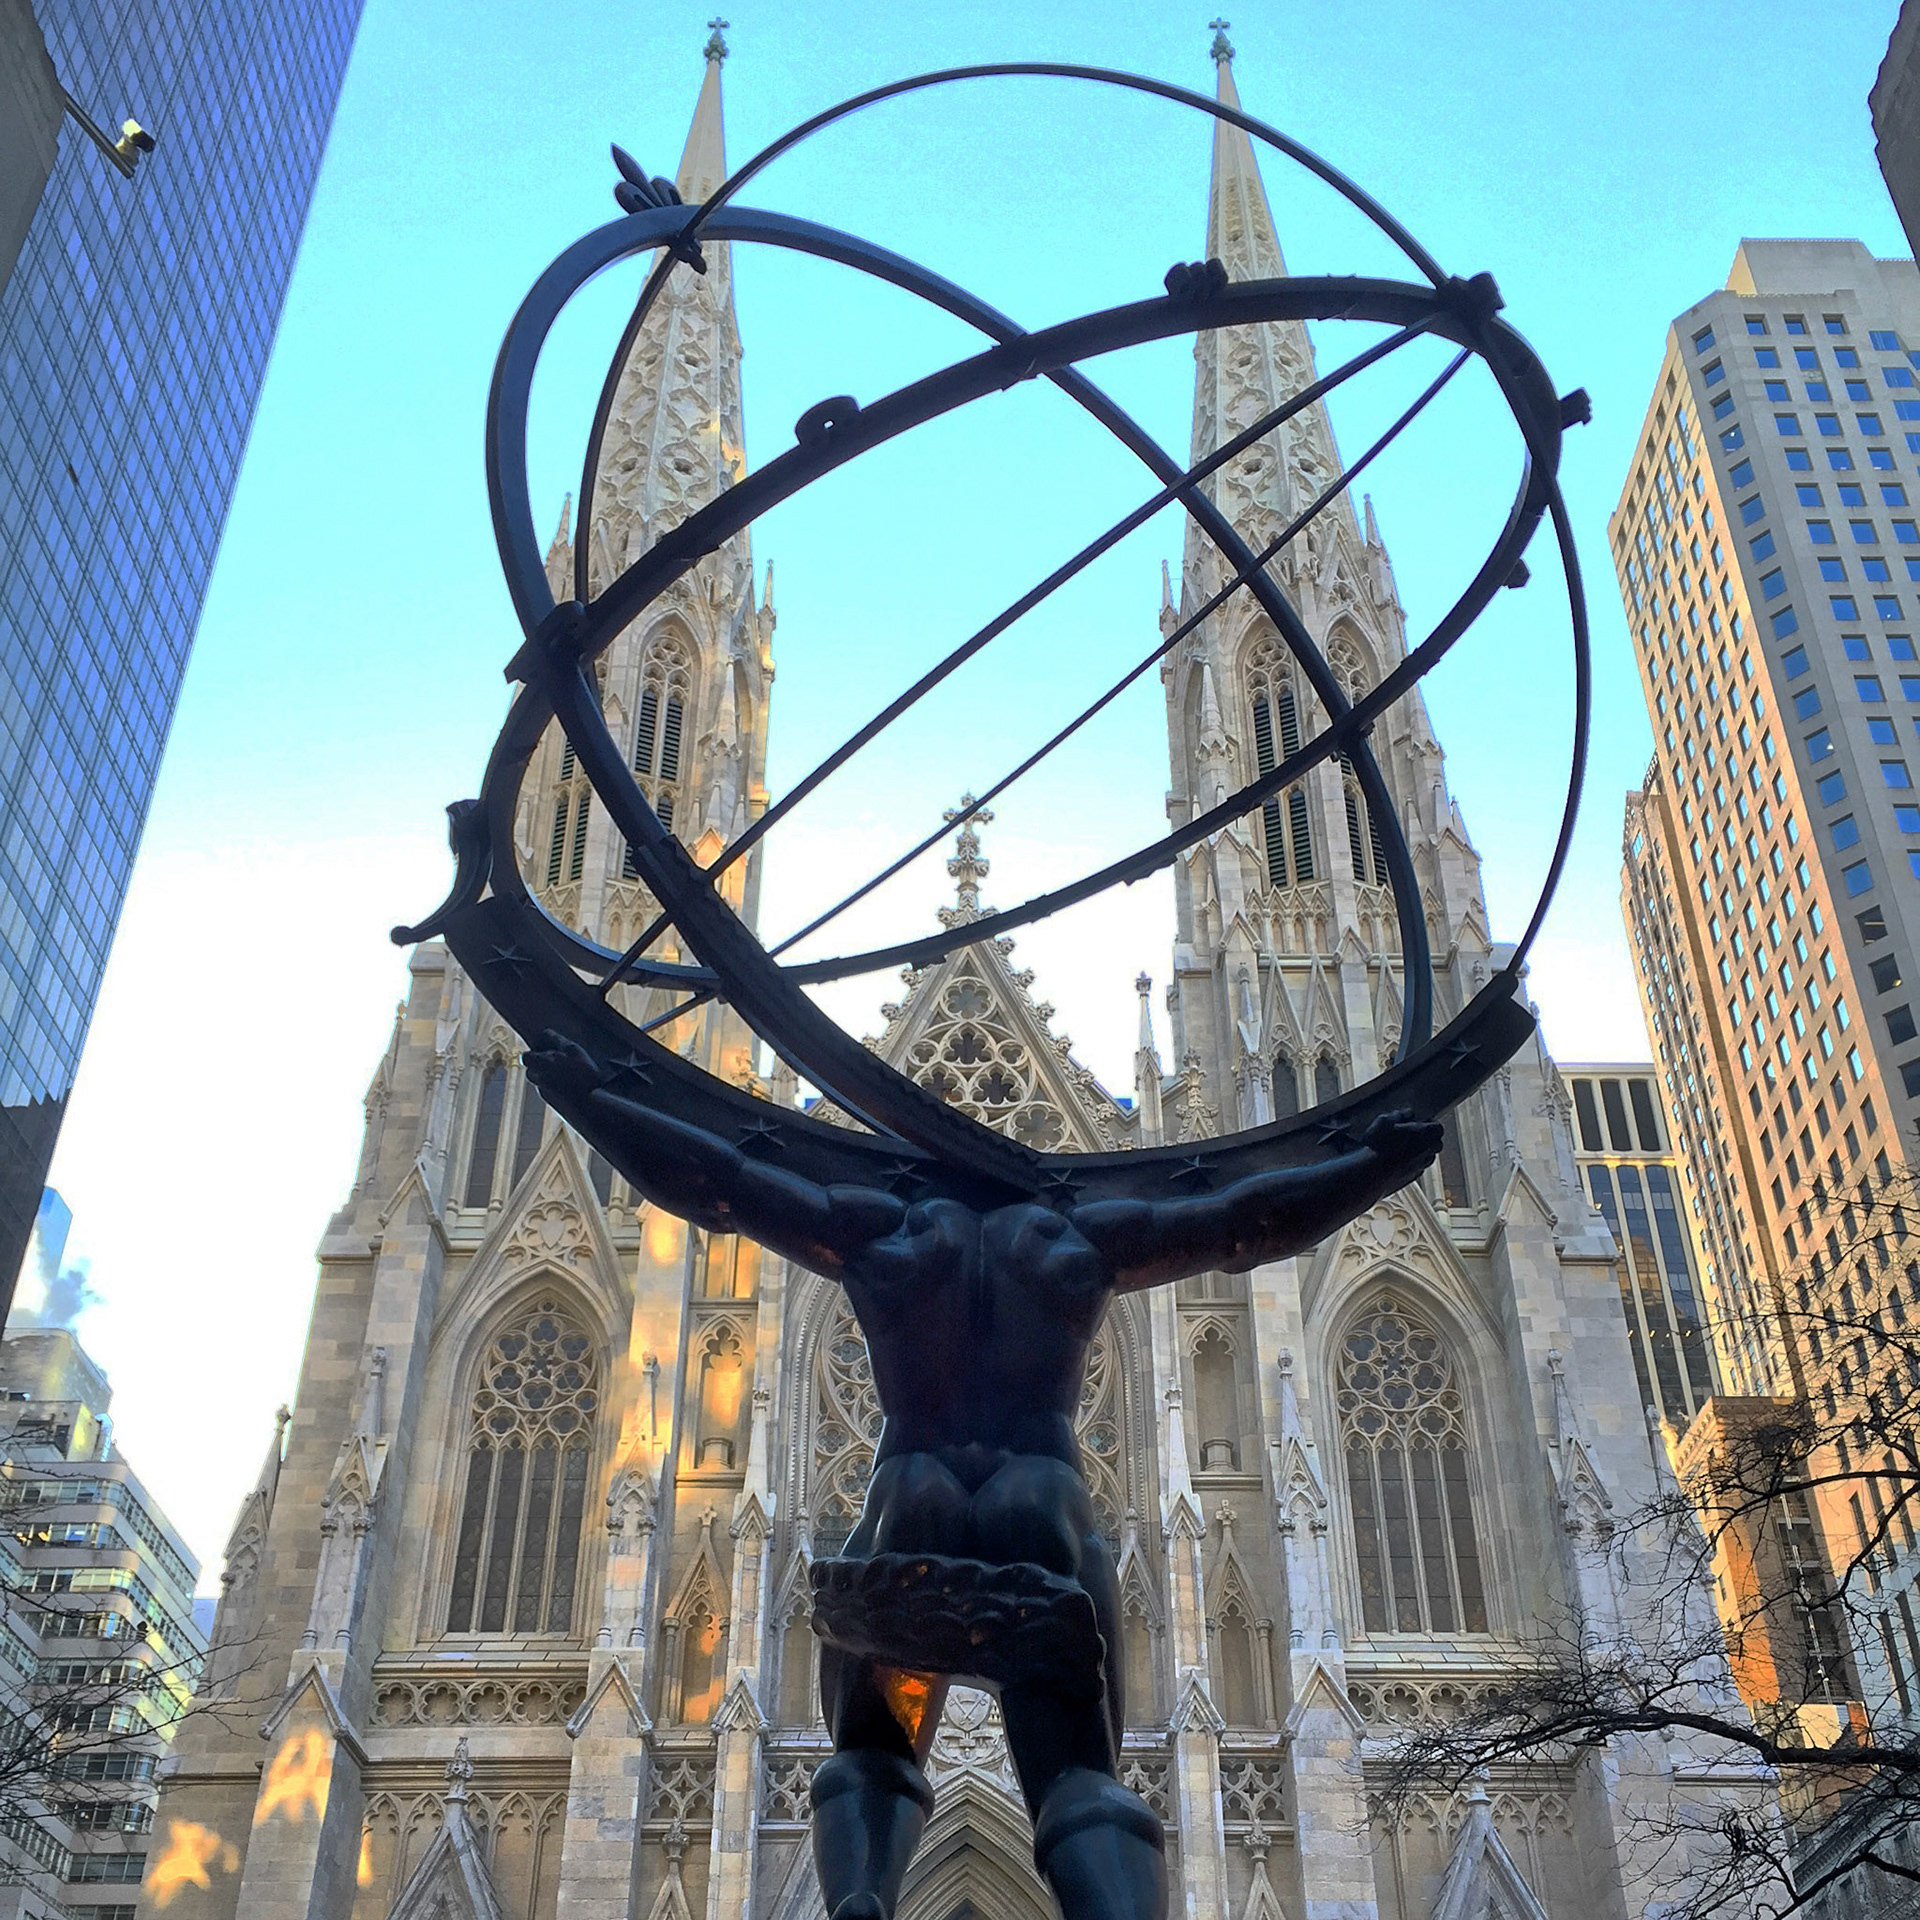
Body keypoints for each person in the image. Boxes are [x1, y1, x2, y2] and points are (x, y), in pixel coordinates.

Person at [527, 1031, 1440, 1920]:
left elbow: (719, 1185)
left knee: (875, 1749)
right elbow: (1245, 1223)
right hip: (1037, 1513)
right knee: (1079, 1773)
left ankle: (858, 1899)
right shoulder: (1074, 1234)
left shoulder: (881, 1229)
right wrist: (1370, 1168)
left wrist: (587, 1098)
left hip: (907, 1509)